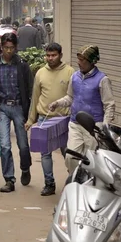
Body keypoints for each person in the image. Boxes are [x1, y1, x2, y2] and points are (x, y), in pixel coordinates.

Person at [49, 45, 115, 174]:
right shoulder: (74, 77)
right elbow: (70, 97)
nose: (79, 62)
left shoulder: (102, 80)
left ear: (92, 61)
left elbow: (109, 105)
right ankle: (76, 181)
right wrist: (57, 103)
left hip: (94, 128)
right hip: (75, 124)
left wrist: (104, 128)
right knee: (70, 157)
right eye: (78, 59)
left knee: (90, 161)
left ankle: (88, 186)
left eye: (83, 60)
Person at [25, 42, 74, 196]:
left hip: (63, 119)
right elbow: (35, 97)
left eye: (54, 55)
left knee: (68, 153)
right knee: (45, 153)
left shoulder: (70, 72)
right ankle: (49, 184)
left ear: (60, 55)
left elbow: (74, 97)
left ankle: (73, 183)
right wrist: (30, 120)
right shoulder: (40, 73)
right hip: (43, 119)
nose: (50, 58)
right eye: (48, 55)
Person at [0, 32, 33, 193]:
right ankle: (9, 179)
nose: (8, 51)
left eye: (11, 48)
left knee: (23, 145)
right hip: (2, 109)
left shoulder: (22, 65)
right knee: (5, 145)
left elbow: (30, 88)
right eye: (6, 48)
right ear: (1, 47)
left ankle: (25, 168)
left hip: (19, 107)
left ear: (16, 48)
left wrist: (31, 113)